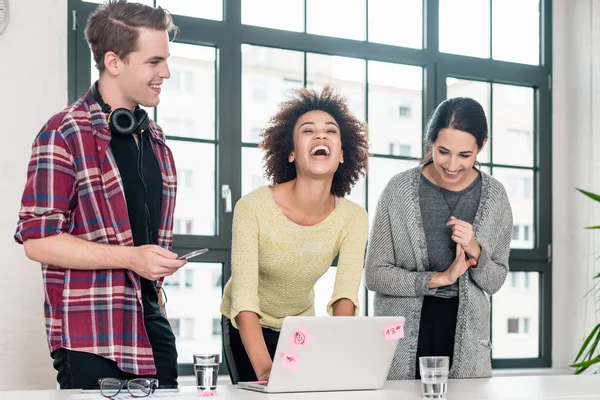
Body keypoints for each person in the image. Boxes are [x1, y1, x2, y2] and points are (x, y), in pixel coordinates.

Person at [14, 0, 186, 390]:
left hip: (151, 326)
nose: (167, 73)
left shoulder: (154, 139)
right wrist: (131, 257)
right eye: (154, 62)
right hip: (92, 334)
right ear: (113, 61)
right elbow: (38, 241)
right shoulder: (63, 133)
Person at [220, 86, 370, 384]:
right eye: (307, 131)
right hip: (245, 323)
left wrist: (335, 351)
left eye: (331, 131)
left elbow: (345, 296)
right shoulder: (252, 207)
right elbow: (245, 298)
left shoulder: (354, 217)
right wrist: (264, 369)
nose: (321, 136)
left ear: (342, 154)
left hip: (299, 327)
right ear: (290, 152)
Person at [365, 97, 513, 380]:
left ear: (481, 146)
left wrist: (475, 250)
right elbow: (375, 275)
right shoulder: (398, 191)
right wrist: (439, 279)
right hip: (403, 332)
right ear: (429, 140)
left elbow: (495, 281)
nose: (452, 165)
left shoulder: (495, 197)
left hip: (467, 338)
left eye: (465, 155)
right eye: (443, 151)